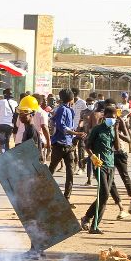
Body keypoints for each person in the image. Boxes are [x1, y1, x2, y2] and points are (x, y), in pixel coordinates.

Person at [80, 104, 120, 234]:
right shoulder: (97, 129)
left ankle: (87, 217)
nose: (112, 120)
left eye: (114, 118)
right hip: (99, 164)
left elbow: (117, 148)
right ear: (105, 117)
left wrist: (117, 130)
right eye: (110, 117)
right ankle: (94, 226)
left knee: (104, 196)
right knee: (105, 194)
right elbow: (87, 146)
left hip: (110, 164)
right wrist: (92, 157)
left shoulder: (113, 129)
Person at [48, 88, 83, 206]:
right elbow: (62, 127)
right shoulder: (62, 109)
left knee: (70, 172)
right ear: (71, 98)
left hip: (68, 145)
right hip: (59, 144)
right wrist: (76, 134)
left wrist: (76, 135)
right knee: (51, 169)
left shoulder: (70, 110)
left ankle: (66, 198)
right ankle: (42, 193)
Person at [0, 88, 18, 154]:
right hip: (10, 125)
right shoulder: (15, 103)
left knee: (2, 142)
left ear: (4, 95)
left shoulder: (1, 102)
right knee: (7, 141)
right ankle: (7, 156)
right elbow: (16, 114)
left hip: (1, 124)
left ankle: (2, 155)